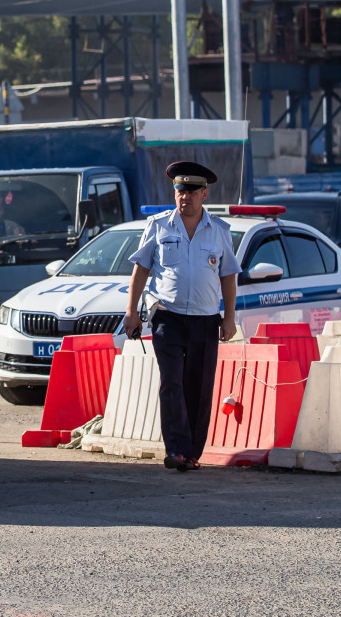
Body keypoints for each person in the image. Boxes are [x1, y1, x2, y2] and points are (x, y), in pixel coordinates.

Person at [121, 161, 240, 473]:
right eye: (179, 191)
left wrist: (229, 317)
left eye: (190, 191)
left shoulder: (219, 231)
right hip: (167, 318)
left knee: (198, 387)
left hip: (205, 319)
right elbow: (141, 269)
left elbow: (228, 276)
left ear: (204, 194)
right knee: (171, 382)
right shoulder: (158, 226)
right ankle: (175, 449)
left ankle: (191, 453)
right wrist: (131, 312)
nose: (184, 197)